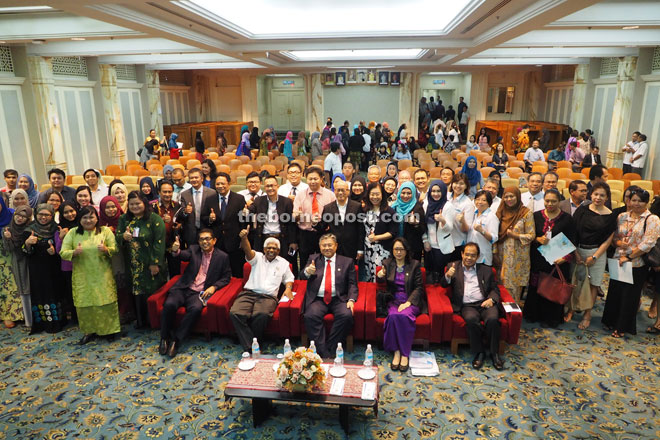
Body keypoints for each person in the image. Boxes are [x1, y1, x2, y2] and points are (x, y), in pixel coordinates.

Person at [161, 229, 231, 357]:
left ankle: (176, 340)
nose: (205, 242)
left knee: (195, 309)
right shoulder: (194, 250)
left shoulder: (222, 257)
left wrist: (214, 287)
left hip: (200, 293)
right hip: (183, 288)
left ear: (214, 241)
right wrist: (175, 250)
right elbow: (182, 255)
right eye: (202, 239)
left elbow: (226, 278)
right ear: (198, 242)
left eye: (208, 239)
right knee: (169, 304)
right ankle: (164, 337)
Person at [603, 188, 660, 338]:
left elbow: (648, 243)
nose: (636, 203)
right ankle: (610, 321)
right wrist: (619, 242)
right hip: (618, 259)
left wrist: (629, 257)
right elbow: (614, 237)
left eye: (640, 201)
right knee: (615, 292)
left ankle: (622, 327)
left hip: (636, 263)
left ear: (646, 202)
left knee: (630, 296)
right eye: (633, 200)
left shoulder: (652, 219)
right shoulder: (622, 216)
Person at [59, 206, 120, 345]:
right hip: (82, 275)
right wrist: (74, 252)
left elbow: (115, 249)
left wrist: (106, 249)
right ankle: (89, 331)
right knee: (85, 303)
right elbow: (63, 252)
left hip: (102, 273)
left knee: (105, 301)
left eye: (91, 217)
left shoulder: (104, 231)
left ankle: (109, 330)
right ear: (80, 219)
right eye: (84, 217)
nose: (88, 220)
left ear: (97, 218)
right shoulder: (73, 233)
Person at [441, 242, 504, 370]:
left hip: (484, 302)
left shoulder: (486, 270)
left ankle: (494, 353)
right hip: (467, 306)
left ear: (478, 257)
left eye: (473, 255)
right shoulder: (452, 267)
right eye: (467, 255)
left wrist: (492, 299)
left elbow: (495, 289)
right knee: (470, 320)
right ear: (462, 254)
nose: (469, 258)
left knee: (492, 319)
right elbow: (442, 285)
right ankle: (480, 352)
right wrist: (448, 276)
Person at [229, 227, 294, 351]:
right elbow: (248, 251)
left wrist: (288, 288)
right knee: (235, 313)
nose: (271, 250)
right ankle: (252, 345)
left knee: (262, 314)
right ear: (264, 249)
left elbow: (289, 278)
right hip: (248, 293)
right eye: (268, 247)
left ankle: (247, 342)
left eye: (274, 248)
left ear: (278, 250)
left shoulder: (284, 263)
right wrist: (244, 238)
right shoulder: (257, 257)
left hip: (268, 297)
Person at [565, 182, 615, 329]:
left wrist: (594, 257)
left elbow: (608, 241)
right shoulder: (582, 210)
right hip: (579, 250)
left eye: (602, 195)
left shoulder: (610, 215)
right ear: (591, 195)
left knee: (593, 285)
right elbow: (572, 233)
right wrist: (576, 253)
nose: (598, 198)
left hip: (597, 254)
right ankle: (571, 309)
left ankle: (587, 314)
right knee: (576, 282)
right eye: (595, 194)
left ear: (606, 197)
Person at [522, 189, 576, 327]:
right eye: (547, 201)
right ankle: (533, 315)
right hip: (539, 258)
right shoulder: (535, 216)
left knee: (552, 288)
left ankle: (550, 318)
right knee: (536, 286)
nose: (550, 204)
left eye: (553, 201)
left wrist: (565, 257)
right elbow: (529, 234)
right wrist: (537, 239)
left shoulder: (567, 219)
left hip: (557, 260)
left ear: (559, 202)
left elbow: (573, 240)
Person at [301, 233, 359, 358]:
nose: (327, 248)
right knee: (310, 315)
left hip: (339, 298)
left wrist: (351, 299)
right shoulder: (313, 259)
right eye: (324, 245)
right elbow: (302, 276)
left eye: (330, 245)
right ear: (319, 246)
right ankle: (323, 352)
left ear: (336, 246)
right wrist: (307, 272)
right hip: (318, 298)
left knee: (346, 315)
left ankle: (331, 348)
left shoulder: (347, 261)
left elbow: (352, 284)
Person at [115, 191, 167, 328]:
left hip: (149, 262)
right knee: (136, 292)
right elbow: (117, 237)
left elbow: (159, 242)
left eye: (138, 203)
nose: (135, 206)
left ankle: (154, 322)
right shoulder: (124, 219)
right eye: (131, 204)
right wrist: (123, 237)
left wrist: (155, 263)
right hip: (132, 263)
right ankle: (140, 321)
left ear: (144, 203)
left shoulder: (155, 219)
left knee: (151, 291)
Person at [376, 237, 425, 372]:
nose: (398, 252)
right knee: (392, 317)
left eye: (401, 249)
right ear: (392, 251)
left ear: (406, 251)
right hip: (393, 300)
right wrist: (380, 275)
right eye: (396, 249)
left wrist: (409, 302)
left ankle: (405, 354)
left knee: (403, 316)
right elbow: (380, 283)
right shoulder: (387, 263)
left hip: (410, 300)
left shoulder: (414, 265)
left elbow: (419, 287)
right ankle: (396, 352)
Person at [23, 204, 66, 333]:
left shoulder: (56, 229)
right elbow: (25, 252)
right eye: (40, 214)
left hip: (53, 268)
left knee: (55, 292)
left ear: (52, 215)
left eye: (47, 215)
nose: (43, 217)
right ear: (36, 215)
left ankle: (58, 322)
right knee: (41, 294)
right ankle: (43, 324)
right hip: (37, 269)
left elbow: (62, 249)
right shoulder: (29, 230)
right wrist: (27, 244)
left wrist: (55, 251)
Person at [201, 172, 246, 278]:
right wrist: (210, 219)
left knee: (236, 272)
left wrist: (242, 240)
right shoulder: (209, 199)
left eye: (223, 183)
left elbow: (243, 220)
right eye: (217, 184)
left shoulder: (239, 199)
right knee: (218, 272)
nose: (220, 186)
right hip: (217, 242)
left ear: (229, 183)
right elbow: (203, 218)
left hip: (234, 242)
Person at [494, 187, 535, 302]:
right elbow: (494, 234)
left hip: (518, 258)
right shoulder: (500, 211)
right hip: (501, 256)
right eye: (506, 196)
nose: (509, 199)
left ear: (518, 196)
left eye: (512, 196)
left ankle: (513, 315)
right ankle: (501, 313)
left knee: (513, 288)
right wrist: (494, 252)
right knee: (500, 284)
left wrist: (515, 236)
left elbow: (531, 235)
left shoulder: (525, 213)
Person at [293, 167, 336, 273]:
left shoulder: (330, 195)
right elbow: (295, 215)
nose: (312, 181)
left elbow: (335, 215)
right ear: (306, 179)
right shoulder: (300, 195)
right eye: (310, 179)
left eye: (315, 179)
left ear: (321, 179)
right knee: (305, 263)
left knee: (324, 264)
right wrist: (304, 217)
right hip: (305, 234)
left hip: (324, 234)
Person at [313, 180, 364, 261]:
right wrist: (315, 223)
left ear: (348, 191)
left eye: (343, 190)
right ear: (334, 191)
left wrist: (360, 249)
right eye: (338, 190)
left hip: (352, 248)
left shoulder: (357, 206)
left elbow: (361, 229)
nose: (340, 193)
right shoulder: (328, 208)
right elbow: (323, 227)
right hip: (334, 248)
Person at [3, 205, 32, 328]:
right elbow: (8, 249)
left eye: (24, 217)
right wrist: (8, 239)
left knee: (31, 286)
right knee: (22, 287)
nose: (20, 219)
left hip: (30, 260)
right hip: (17, 260)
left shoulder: (30, 229)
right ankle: (27, 320)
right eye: (18, 215)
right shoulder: (8, 229)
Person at [362, 183, 397, 282]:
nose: (374, 197)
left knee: (380, 275)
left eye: (377, 194)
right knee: (368, 274)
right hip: (367, 249)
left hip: (382, 250)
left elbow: (393, 232)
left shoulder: (390, 212)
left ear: (382, 195)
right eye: (372, 194)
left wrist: (377, 237)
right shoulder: (365, 210)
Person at [422, 180, 454, 281]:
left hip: (443, 247)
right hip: (429, 246)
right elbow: (423, 226)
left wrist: (442, 220)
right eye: (433, 191)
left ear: (443, 192)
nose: (436, 194)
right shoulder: (426, 205)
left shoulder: (448, 206)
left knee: (441, 276)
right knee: (429, 275)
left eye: (439, 191)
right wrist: (425, 241)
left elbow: (450, 228)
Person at [177, 168, 215, 248]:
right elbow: (181, 215)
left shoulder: (212, 193)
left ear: (202, 178)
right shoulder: (184, 194)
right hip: (190, 232)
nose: (194, 180)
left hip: (207, 230)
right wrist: (185, 212)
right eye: (191, 178)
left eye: (196, 177)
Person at [55, 201, 79, 322]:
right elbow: (58, 251)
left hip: (82, 264)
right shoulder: (59, 228)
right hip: (68, 266)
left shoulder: (83, 224)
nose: (69, 214)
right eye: (66, 212)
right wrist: (61, 237)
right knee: (71, 292)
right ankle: (75, 317)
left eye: (72, 211)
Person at [0, 197, 21, 328]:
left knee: (14, 282)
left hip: (12, 253)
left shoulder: (12, 215)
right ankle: (5, 314)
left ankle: (17, 313)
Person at [392, 182, 426, 261]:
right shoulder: (394, 206)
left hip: (412, 248)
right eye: (403, 193)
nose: (406, 196)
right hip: (396, 246)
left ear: (413, 193)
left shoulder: (417, 208)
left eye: (409, 193)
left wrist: (416, 224)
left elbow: (423, 229)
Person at [445, 174, 475, 258]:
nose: (458, 186)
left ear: (466, 186)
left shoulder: (467, 203)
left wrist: (462, 221)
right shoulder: (446, 197)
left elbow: (466, 229)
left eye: (461, 183)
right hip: (444, 240)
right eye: (456, 183)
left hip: (457, 243)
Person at [155, 181, 181, 277]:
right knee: (159, 273)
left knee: (175, 272)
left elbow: (182, 223)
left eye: (169, 192)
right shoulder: (152, 207)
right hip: (157, 245)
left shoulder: (178, 206)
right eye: (164, 192)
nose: (167, 194)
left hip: (173, 244)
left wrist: (177, 225)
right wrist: (162, 220)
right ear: (159, 192)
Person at [467, 190, 499, 266]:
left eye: (484, 200)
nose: (480, 202)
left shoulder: (491, 217)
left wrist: (482, 231)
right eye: (477, 199)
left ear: (489, 203)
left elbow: (494, 238)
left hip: (482, 257)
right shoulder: (474, 214)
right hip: (471, 255)